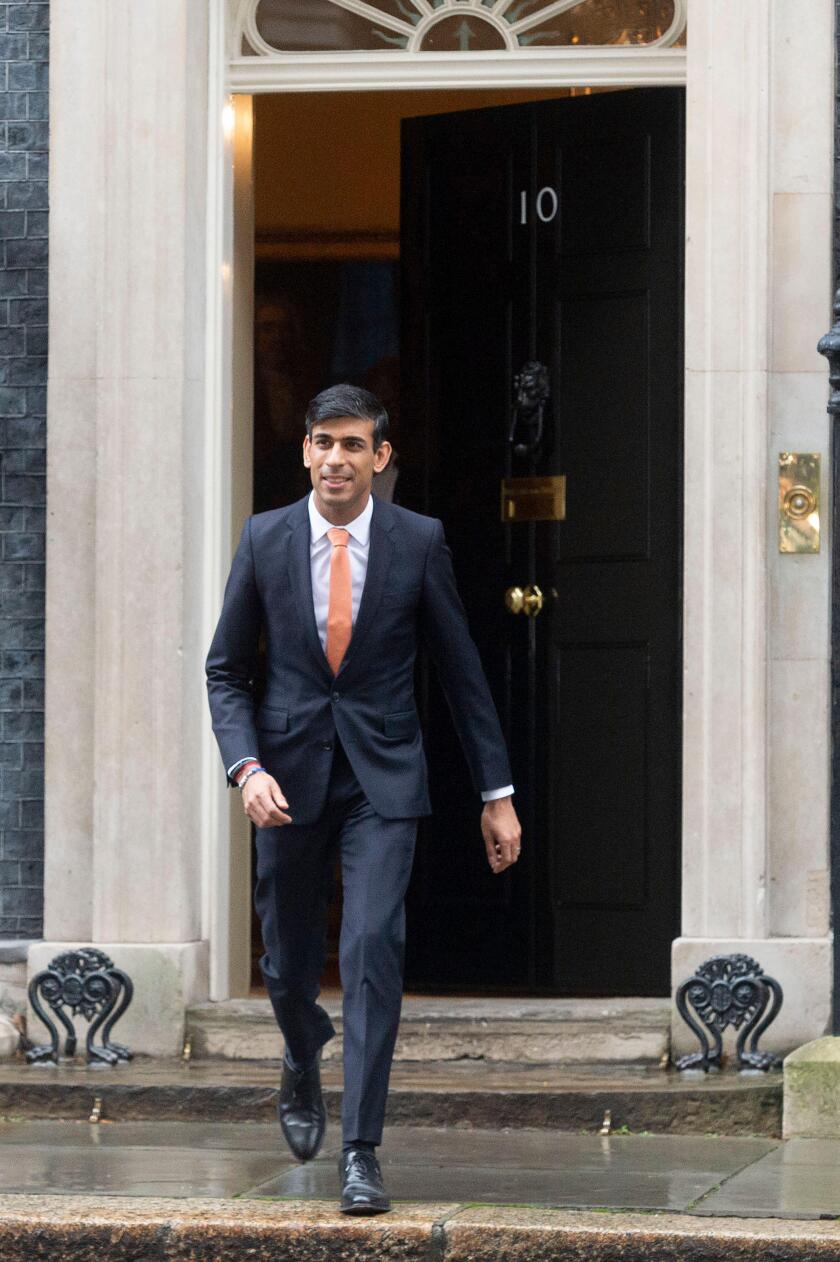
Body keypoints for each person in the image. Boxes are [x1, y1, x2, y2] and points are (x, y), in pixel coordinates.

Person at [205, 383, 522, 1215]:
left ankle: (361, 1150)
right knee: (285, 963)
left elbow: (460, 673)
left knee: (373, 946)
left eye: (353, 444)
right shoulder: (265, 538)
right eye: (323, 442)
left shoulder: (419, 542)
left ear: (379, 457)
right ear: (305, 452)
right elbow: (226, 670)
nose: (336, 458)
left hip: (384, 781)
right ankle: (301, 1044)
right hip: (285, 783)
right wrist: (246, 768)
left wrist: (498, 793)